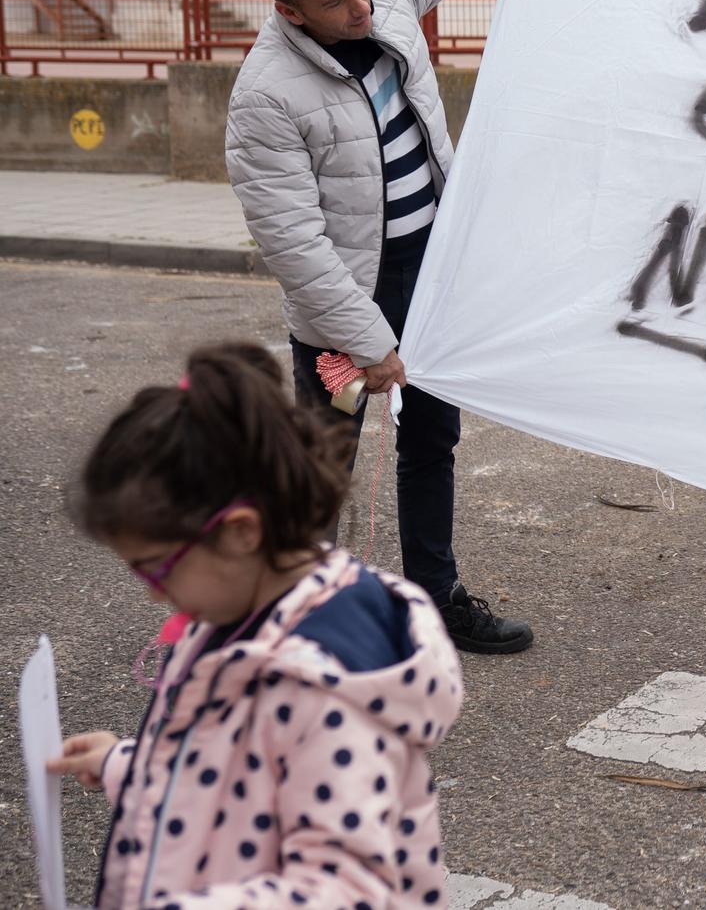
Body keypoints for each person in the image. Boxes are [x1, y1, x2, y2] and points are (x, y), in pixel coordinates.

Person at [226, 0, 558, 654]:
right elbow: (295, 245)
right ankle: (300, 623)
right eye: (336, 3)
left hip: (431, 271)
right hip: (346, 306)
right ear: (291, 11)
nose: (362, 7)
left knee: (433, 439)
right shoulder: (264, 96)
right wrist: (370, 343)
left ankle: (437, 597)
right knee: (323, 467)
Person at [47, 344, 464, 908]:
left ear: (241, 532)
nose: (151, 591)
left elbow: (348, 889)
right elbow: (230, 763)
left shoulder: (320, 687)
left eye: (156, 567)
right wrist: (127, 764)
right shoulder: (240, 603)